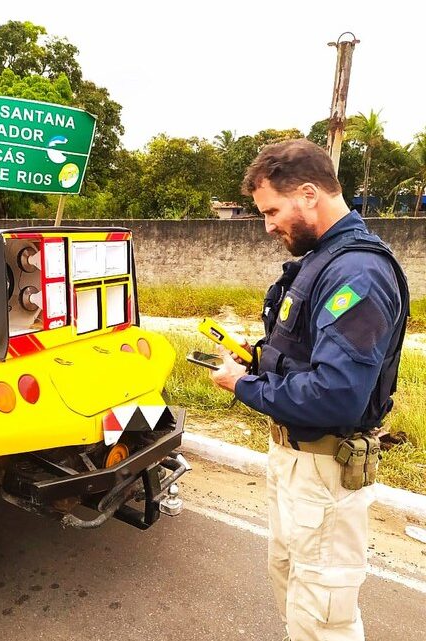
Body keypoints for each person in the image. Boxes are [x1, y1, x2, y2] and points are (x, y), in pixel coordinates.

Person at [210, 139, 409, 641]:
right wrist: (256, 359)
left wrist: (242, 385)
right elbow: (306, 353)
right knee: (295, 589)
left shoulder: (357, 272)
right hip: (294, 460)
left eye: (272, 210)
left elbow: (335, 394)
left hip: (323, 471)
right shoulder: (324, 259)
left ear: (307, 193)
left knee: (323, 614)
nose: (268, 224)